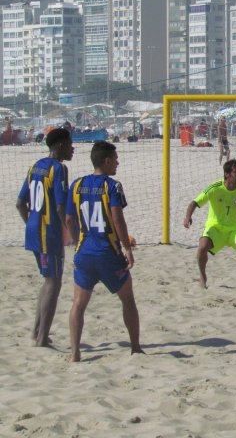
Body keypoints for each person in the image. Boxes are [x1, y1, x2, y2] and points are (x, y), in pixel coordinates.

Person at [65, 141, 142, 362]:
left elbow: (69, 219)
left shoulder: (77, 184)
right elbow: (118, 218)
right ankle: (135, 347)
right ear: (106, 161)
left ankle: (74, 353)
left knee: (78, 304)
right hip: (108, 253)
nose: (118, 163)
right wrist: (127, 248)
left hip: (84, 253)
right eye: (115, 159)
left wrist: (76, 242)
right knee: (128, 299)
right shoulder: (112, 186)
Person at [16, 128, 74, 347]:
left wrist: (31, 224)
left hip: (33, 230)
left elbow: (20, 203)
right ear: (60, 146)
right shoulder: (59, 168)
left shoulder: (35, 166)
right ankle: (41, 339)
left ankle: (36, 332)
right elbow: (60, 207)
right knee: (54, 282)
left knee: (48, 280)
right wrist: (71, 233)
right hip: (48, 232)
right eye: (70, 145)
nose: (72, 149)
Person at [184, 159, 236, 290]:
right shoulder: (214, 188)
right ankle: (202, 276)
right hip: (215, 227)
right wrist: (188, 216)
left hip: (233, 229)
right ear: (227, 174)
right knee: (202, 247)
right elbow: (194, 203)